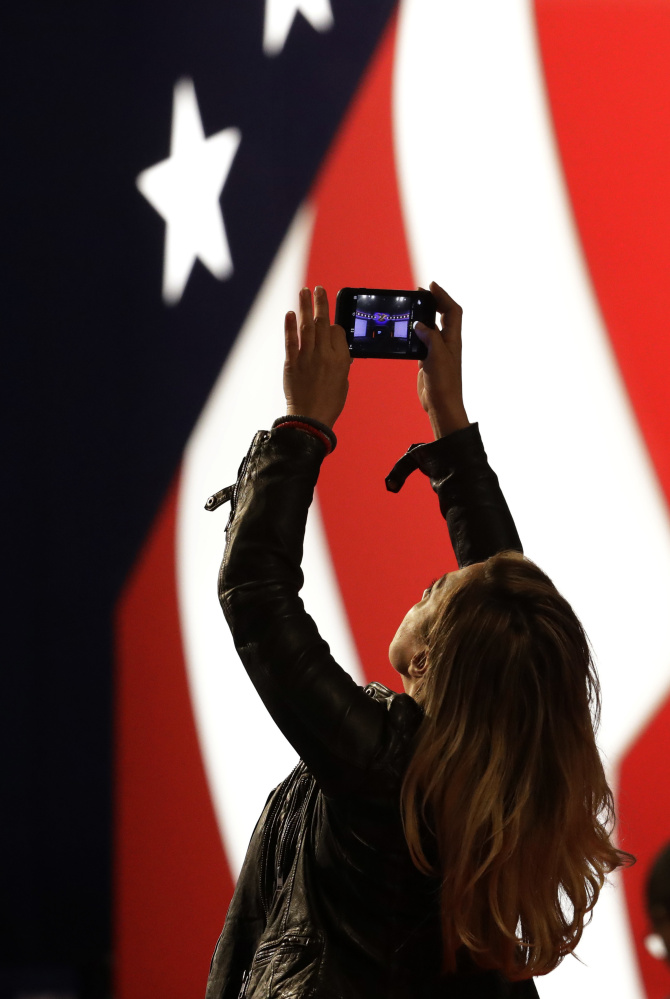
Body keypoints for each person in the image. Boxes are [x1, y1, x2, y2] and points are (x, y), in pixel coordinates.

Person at [204, 282, 633, 998]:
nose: (441, 577)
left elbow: (256, 596)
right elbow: (511, 622)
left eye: (442, 591)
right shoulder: (497, 775)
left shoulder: (386, 772)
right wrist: (451, 426)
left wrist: (304, 425)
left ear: (432, 659)